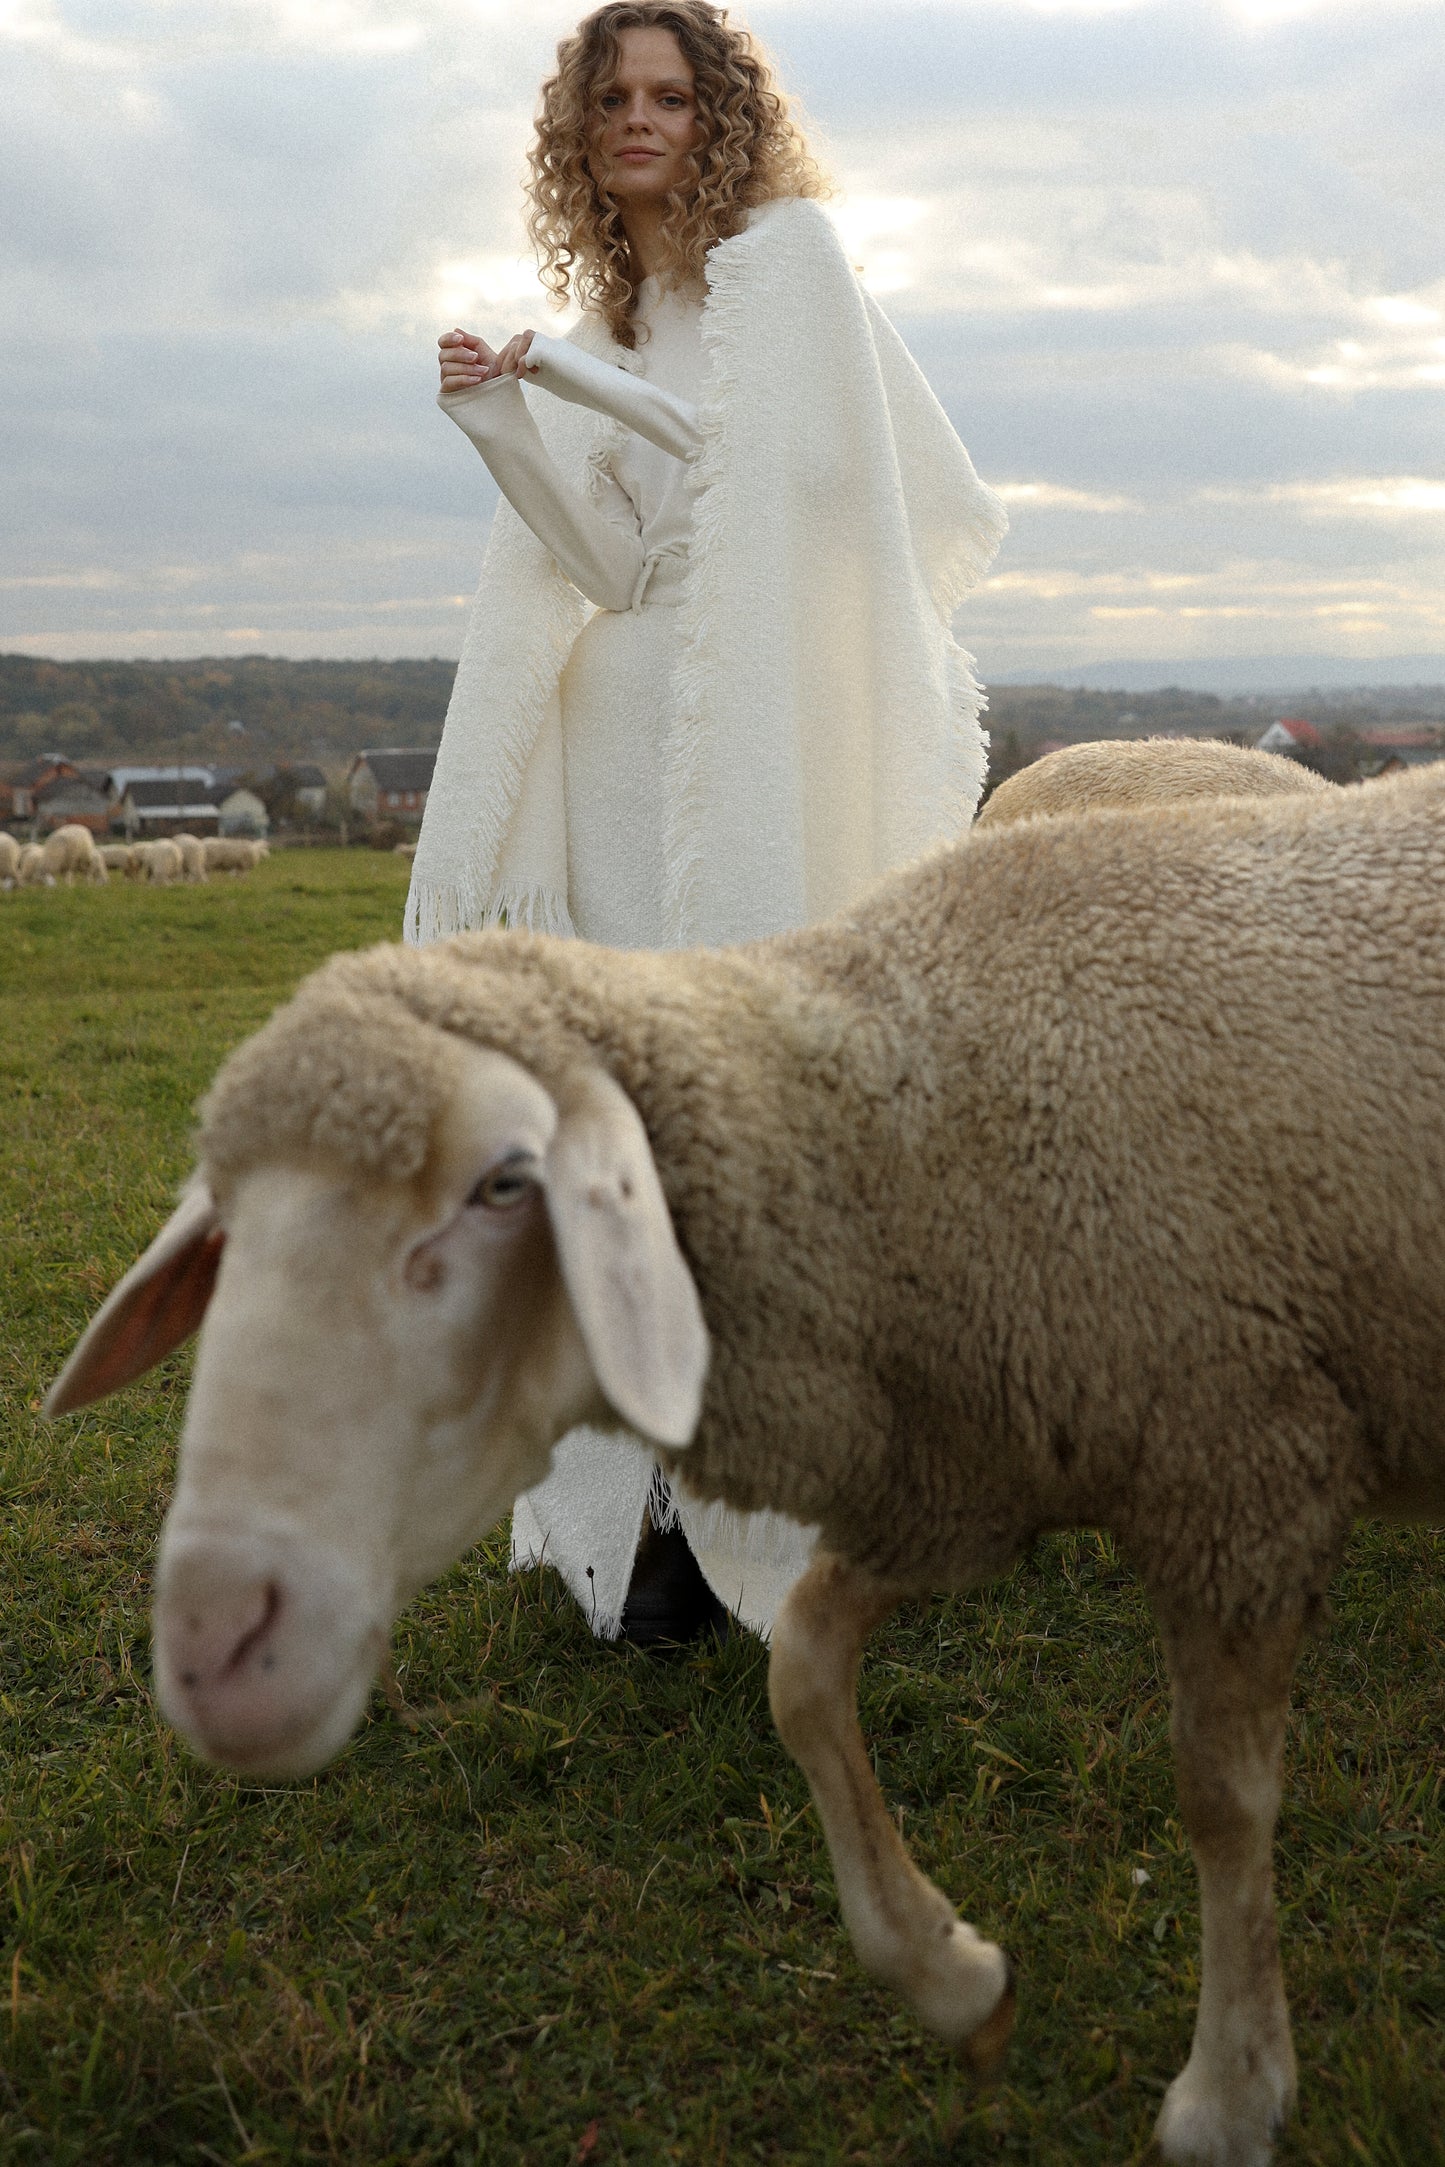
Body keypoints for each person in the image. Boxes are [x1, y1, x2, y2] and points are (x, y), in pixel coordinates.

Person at [407, 0, 1007, 1646]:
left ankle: (767, 1499)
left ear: (717, 113)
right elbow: (604, 569)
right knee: (621, 1114)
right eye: (611, 97)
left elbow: (803, 494)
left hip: (742, 736)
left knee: (734, 1117)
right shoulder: (611, 310)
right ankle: (650, 1506)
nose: (639, 121)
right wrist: (505, 414)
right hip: (619, 745)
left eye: (669, 94)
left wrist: (586, 378)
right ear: (578, 127)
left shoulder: (790, 274)